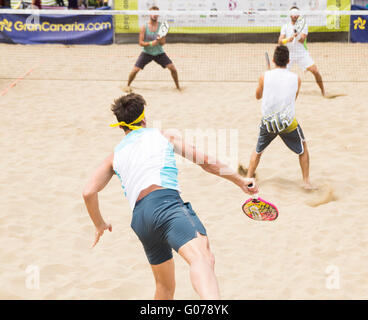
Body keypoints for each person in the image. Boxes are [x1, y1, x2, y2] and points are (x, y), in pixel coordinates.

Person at [82, 93, 258, 300]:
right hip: (165, 205)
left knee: (164, 287)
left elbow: (88, 192)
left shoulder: (114, 156)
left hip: (141, 220)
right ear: (144, 119)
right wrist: (240, 180)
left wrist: (99, 223)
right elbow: (206, 162)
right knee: (202, 259)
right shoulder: (163, 136)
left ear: (121, 126)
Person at [241, 46, 316, 190]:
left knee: (258, 151)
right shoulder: (296, 79)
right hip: (287, 123)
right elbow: (293, 99)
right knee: (303, 149)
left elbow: (257, 96)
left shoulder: (264, 76)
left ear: (274, 60)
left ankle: (249, 178)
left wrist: (266, 84)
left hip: (268, 122)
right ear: (288, 61)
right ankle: (306, 182)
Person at [123, 6, 180, 93]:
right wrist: (150, 43)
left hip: (159, 53)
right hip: (147, 52)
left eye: (156, 13)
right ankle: (127, 85)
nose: (154, 15)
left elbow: (163, 43)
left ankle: (178, 87)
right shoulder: (144, 27)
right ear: (149, 14)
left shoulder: (162, 26)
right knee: (135, 70)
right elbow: (140, 43)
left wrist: (160, 40)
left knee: (173, 68)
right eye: (153, 13)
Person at [278, 6, 326, 97]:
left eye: (296, 14)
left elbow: (302, 40)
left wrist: (297, 36)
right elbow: (279, 41)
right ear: (290, 15)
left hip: (301, 53)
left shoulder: (303, 25)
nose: (295, 16)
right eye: (293, 14)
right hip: (289, 54)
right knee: (280, 74)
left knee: (315, 71)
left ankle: (323, 91)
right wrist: (287, 40)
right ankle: (279, 93)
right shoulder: (285, 27)